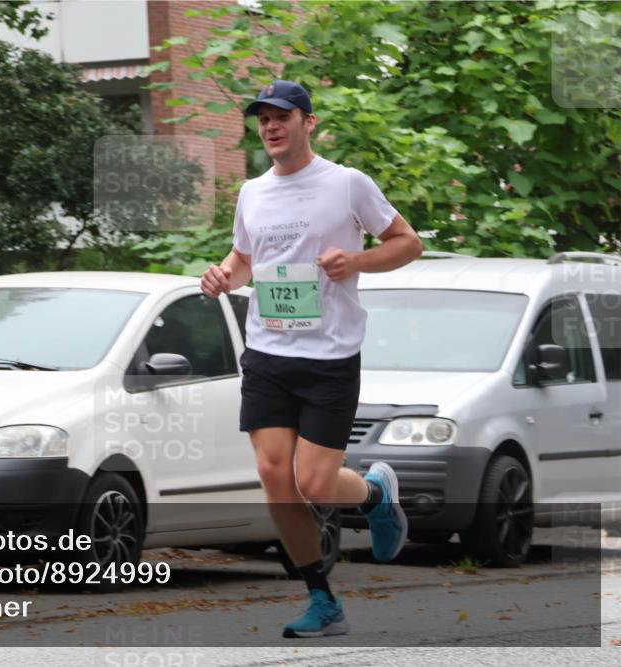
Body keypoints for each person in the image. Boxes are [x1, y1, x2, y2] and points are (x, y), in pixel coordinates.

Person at [200, 80, 423, 638]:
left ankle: (375, 492)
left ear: (308, 122)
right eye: (263, 119)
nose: (271, 127)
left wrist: (357, 261)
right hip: (270, 351)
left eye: (282, 117)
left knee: (316, 484)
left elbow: (407, 242)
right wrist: (225, 275)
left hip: (330, 356)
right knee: (275, 475)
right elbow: (246, 257)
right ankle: (322, 598)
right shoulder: (253, 192)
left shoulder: (346, 184)